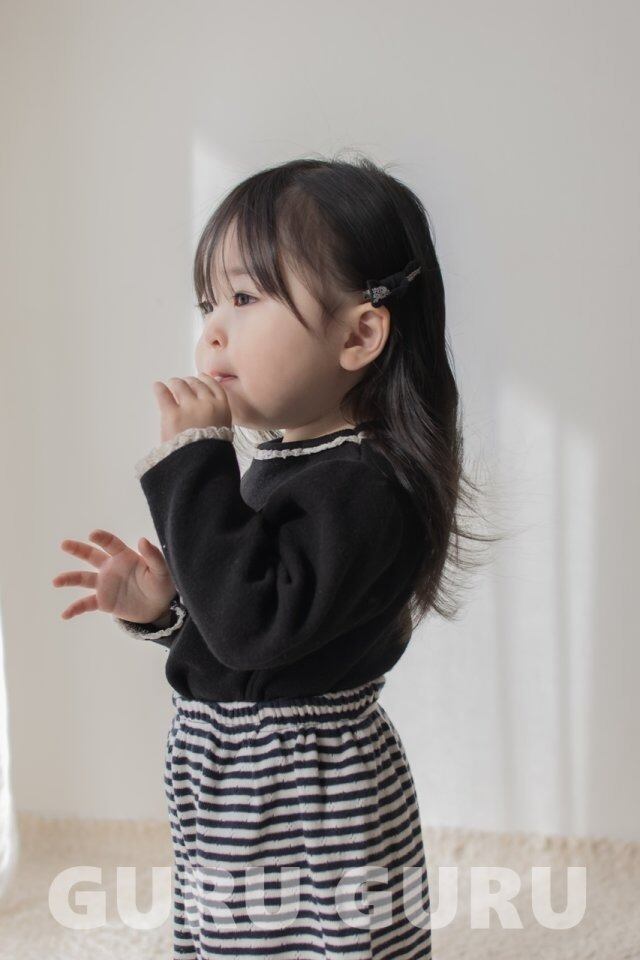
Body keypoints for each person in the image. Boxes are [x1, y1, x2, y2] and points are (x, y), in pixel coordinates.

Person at [53, 155, 492, 958]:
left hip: (305, 794)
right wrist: (168, 608)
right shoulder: (286, 462)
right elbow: (251, 627)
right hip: (236, 775)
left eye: (246, 298)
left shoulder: (365, 484)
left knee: (318, 941)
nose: (212, 330)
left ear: (359, 334)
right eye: (209, 303)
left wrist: (195, 462)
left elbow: (254, 630)